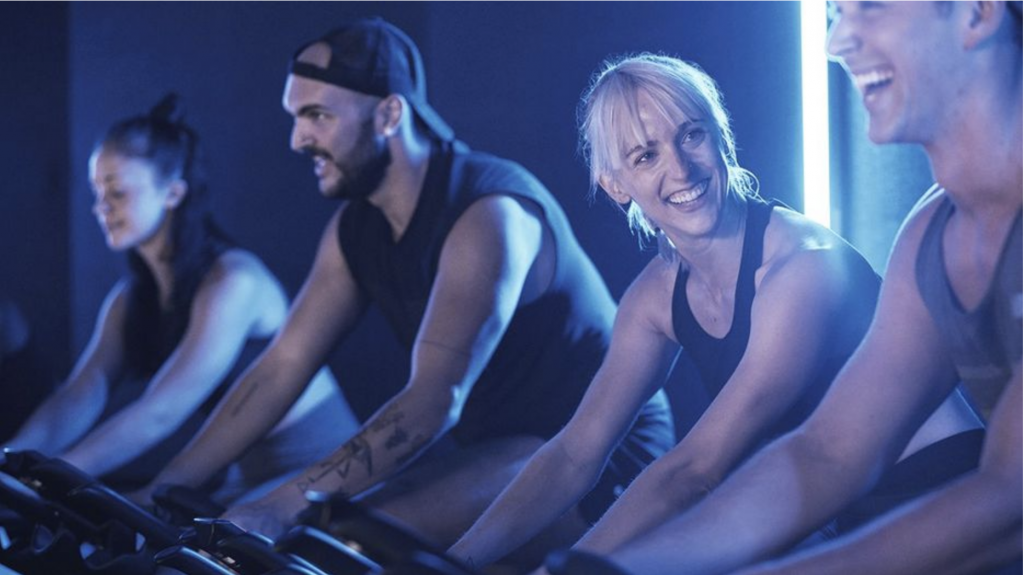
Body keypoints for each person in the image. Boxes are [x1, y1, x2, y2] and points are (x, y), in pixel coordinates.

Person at [140, 17, 675, 551]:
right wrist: (163, 489)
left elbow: (433, 400)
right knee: (317, 529)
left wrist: (280, 507)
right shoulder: (356, 228)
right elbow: (283, 366)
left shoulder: (487, 213)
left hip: (601, 458)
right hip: (505, 450)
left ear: (390, 114)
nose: (298, 139)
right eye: (296, 117)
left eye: (317, 116)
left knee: (340, 539)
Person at [448, 51, 985, 573]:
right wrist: (452, 561)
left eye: (691, 134)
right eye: (645, 156)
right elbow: (575, 453)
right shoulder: (655, 298)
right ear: (617, 186)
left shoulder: (803, 267)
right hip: (836, 512)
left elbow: (696, 471)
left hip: (941, 491)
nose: (680, 168)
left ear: (720, 135)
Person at [560, 2, 1021, 574]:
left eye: (869, 8)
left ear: (977, 13)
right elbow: (824, 453)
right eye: (835, 13)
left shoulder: (808, 261)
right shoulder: (929, 235)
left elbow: (1010, 499)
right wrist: (609, 568)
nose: (837, 41)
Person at [3, 94, 356, 504]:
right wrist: (11, 459)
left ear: (172, 193)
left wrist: (45, 479)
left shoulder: (234, 282)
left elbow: (162, 411)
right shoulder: (131, 299)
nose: (102, 208)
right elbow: (79, 394)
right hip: (244, 480)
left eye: (117, 192)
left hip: (321, 475)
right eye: (97, 192)